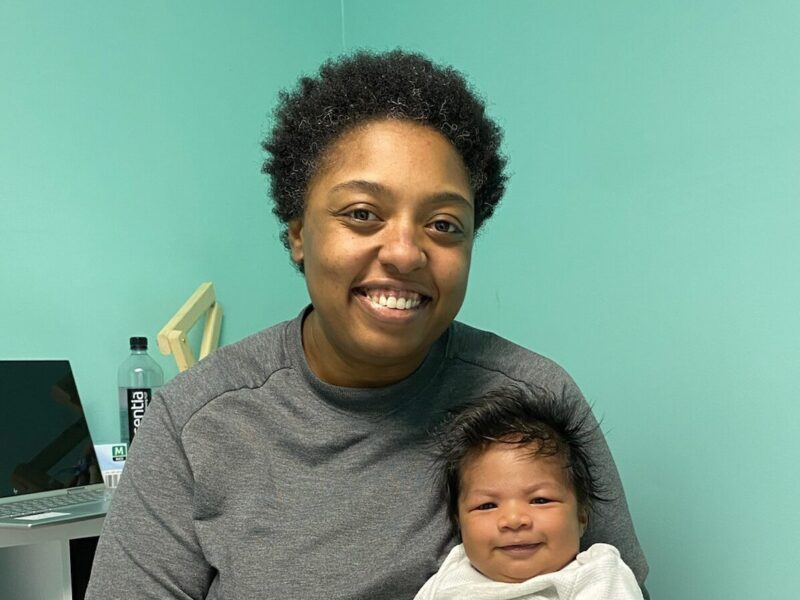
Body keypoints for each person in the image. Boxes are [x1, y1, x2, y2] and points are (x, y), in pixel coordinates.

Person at [86, 50, 648, 599]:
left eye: (444, 223)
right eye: (362, 214)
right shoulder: (197, 419)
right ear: (299, 233)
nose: (405, 252)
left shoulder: (534, 402)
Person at [414, 387, 643, 599]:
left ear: (581, 516)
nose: (513, 520)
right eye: (487, 505)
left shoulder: (596, 572)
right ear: (459, 522)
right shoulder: (450, 575)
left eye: (540, 500)